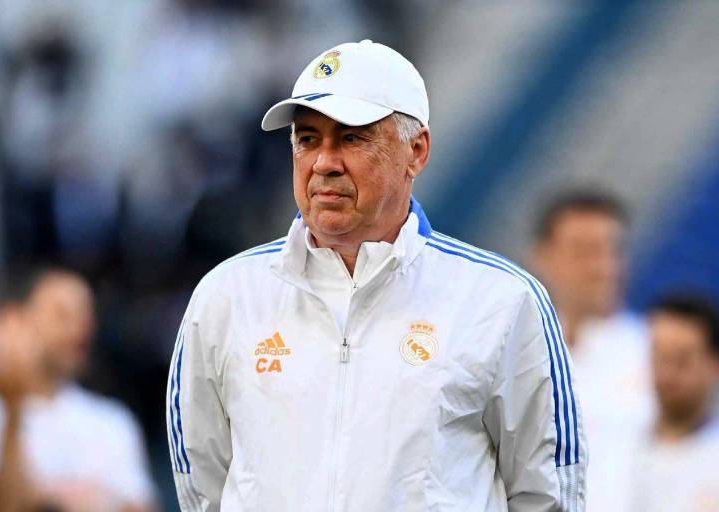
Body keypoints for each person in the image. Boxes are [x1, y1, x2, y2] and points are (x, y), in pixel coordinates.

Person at [167, 40, 586, 511]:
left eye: (351, 138)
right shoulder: (226, 295)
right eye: (308, 139)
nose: (324, 162)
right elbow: (203, 487)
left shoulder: (501, 300)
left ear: (416, 151)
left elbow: (550, 492)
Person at [0, 269, 157, 512]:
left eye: (87, 315)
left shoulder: (112, 420)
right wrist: (12, 410)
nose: (80, 328)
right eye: (62, 314)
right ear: (14, 321)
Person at [529, 190, 654, 511]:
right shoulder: (515, 354)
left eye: (612, 251)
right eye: (583, 252)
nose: (602, 267)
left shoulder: (656, 357)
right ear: (543, 257)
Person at [629, 295, 719, 510]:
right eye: (660, 358)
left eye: (681, 360)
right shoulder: (615, 446)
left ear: (714, 364)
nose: (667, 374)